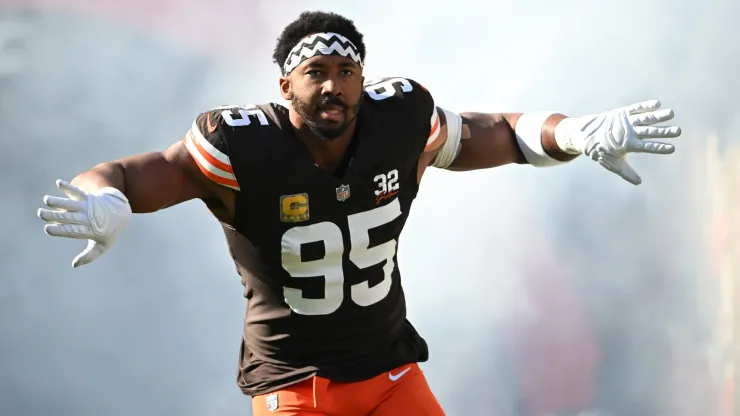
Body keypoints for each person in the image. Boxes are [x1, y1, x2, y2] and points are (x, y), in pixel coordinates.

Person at [36, 10, 682, 416]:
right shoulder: (241, 145)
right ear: (284, 84)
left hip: (392, 374)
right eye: (314, 71)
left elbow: (499, 133)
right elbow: (140, 172)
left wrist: (572, 133)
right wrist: (106, 198)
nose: (332, 85)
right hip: (298, 388)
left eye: (346, 70)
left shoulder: (398, 122)